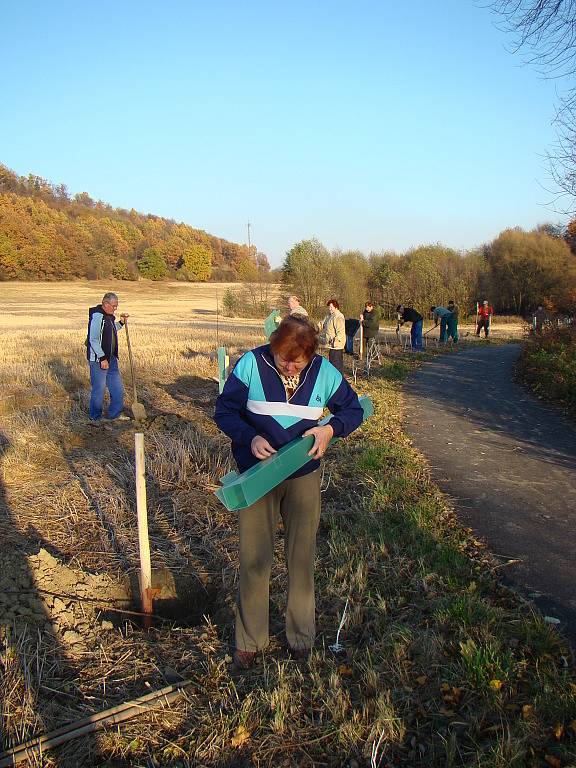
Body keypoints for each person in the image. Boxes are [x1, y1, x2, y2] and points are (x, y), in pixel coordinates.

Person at [214, 316, 364, 668]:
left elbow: (353, 410)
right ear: (273, 346)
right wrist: (249, 437)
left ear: (310, 356)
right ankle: (249, 642)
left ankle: (301, 638)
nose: (288, 365)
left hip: (303, 476)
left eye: (296, 361)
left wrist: (331, 430)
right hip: (257, 478)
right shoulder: (251, 363)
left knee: (301, 559)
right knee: (254, 560)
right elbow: (225, 411)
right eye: (283, 357)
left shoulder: (325, 372)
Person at [86, 292, 130, 423]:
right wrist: (102, 358)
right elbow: (93, 339)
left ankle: (114, 414)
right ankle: (95, 418)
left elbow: (111, 330)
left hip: (111, 358)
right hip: (99, 360)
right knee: (99, 388)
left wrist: (121, 323)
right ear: (105, 304)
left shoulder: (109, 316)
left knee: (117, 387)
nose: (115, 308)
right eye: (114, 306)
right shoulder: (97, 316)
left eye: (117, 306)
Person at [321, 299, 346, 372]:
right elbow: (322, 324)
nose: (330, 309)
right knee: (332, 364)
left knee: (336, 365)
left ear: (336, 307)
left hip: (337, 346)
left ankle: (339, 380)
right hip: (331, 344)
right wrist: (313, 328)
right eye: (329, 307)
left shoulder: (338, 317)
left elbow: (340, 332)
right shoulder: (329, 316)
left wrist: (335, 341)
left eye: (331, 307)